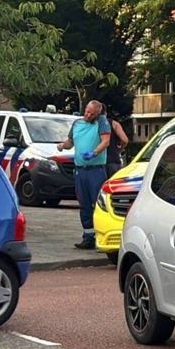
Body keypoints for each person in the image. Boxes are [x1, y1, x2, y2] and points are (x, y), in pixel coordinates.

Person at [56, 100, 110, 250]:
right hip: (80, 170)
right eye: (87, 111)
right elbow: (70, 142)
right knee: (84, 205)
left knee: (98, 205)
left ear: (97, 114)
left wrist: (94, 152)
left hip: (95, 170)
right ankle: (88, 237)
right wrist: (62, 145)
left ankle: (101, 237)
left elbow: (106, 141)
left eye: (92, 114)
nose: (88, 115)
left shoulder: (101, 122)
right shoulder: (77, 124)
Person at [100, 103, 129, 178]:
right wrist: (120, 148)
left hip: (97, 163)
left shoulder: (93, 124)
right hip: (113, 160)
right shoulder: (114, 124)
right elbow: (124, 139)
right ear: (105, 113)